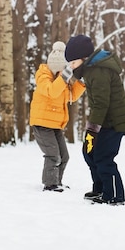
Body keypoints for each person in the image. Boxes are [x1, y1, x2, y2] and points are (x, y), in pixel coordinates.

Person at [65, 34, 125, 206]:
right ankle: (100, 188)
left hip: (112, 123)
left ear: (83, 58)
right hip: (104, 122)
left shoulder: (98, 71)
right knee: (90, 153)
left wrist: (92, 130)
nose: (71, 67)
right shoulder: (91, 70)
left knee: (103, 157)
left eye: (73, 62)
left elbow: (102, 103)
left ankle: (115, 195)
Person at [29, 41, 86, 192]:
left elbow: (71, 96)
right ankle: (50, 184)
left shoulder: (63, 78)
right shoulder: (43, 75)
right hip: (42, 124)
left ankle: (57, 182)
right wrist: (64, 76)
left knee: (64, 156)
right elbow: (52, 91)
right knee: (53, 155)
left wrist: (81, 81)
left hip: (55, 124)